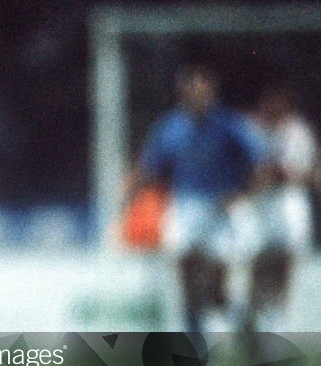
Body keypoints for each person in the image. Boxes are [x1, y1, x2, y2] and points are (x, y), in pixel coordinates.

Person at [128, 63, 266, 333]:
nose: (196, 97)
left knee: (216, 288)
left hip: (221, 208)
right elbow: (151, 166)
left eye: (202, 91)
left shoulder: (230, 125)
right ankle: (196, 339)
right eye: (190, 91)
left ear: (212, 92)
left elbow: (261, 164)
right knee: (186, 272)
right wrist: (132, 192)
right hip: (187, 205)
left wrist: (242, 193)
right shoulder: (171, 126)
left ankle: (240, 319)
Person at [244, 83, 318, 331]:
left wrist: (286, 174)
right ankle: (252, 314)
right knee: (258, 259)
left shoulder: (298, 132)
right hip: (261, 202)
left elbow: (309, 172)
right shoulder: (250, 130)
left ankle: (278, 318)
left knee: (285, 260)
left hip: (288, 200)